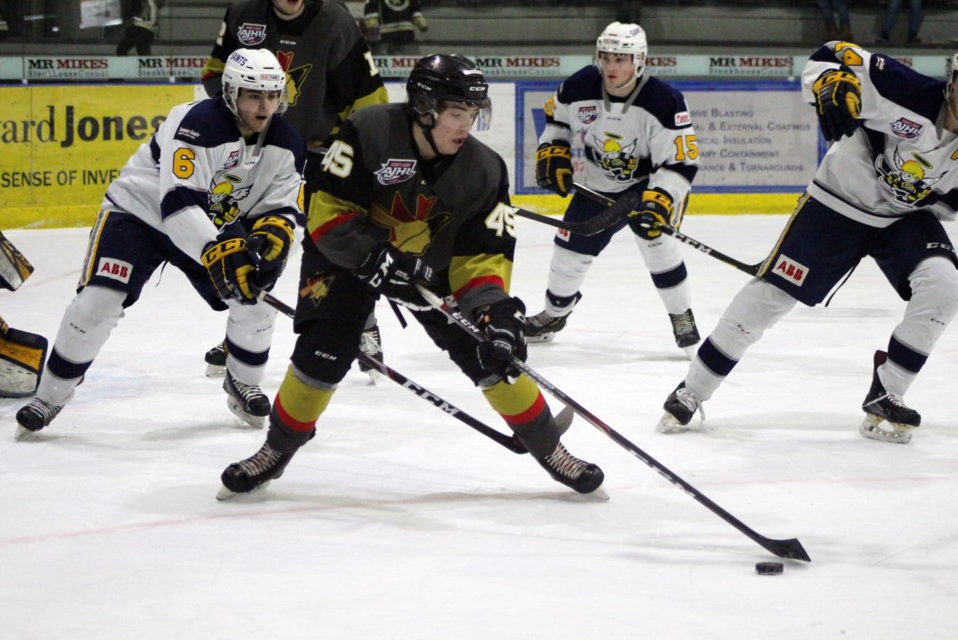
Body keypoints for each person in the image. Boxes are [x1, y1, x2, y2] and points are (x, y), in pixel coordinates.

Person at [217, 54, 605, 498]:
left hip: (431, 267)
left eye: (473, 115)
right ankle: (276, 450)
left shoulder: (486, 170)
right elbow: (326, 214)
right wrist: (374, 258)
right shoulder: (367, 131)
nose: (466, 126)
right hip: (346, 257)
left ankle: (551, 450)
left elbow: (482, 257)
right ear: (424, 109)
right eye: (457, 114)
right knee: (323, 350)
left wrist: (493, 310)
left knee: (492, 350)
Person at [657, 42, 958, 445]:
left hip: (904, 219)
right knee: (769, 298)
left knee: (944, 285)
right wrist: (832, 81)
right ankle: (692, 389)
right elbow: (832, 54)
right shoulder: (906, 91)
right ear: (952, 82)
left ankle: (889, 390)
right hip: (839, 201)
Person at [15, 49, 306, 439]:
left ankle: (243, 381)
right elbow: (178, 204)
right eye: (254, 95)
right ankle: (50, 396)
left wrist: (275, 235)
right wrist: (216, 250)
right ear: (231, 93)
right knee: (99, 300)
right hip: (140, 215)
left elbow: (286, 208)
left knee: (253, 293)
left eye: (272, 95)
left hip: (211, 223)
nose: (265, 105)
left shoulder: (287, 142)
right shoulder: (197, 122)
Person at [201, 0, 389, 381]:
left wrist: (356, 151)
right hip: (259, 147)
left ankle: (361, 323)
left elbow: (369, 97)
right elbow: (215, 74)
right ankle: (241, 336)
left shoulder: (335, 21)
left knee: (331, 241)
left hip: (322, 150)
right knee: (257, 238)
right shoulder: (243, 12)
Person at [526, 21, 701, 356]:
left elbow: (680, 164)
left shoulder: (665, 101)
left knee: (659, 247)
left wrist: (660, 199)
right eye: (606, 57)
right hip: (597, 188)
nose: (610, 66)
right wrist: (553, 149)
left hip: (647, 187)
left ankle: (682, 315)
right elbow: (557, 120)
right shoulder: (579, 85)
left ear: (639, 61)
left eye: (620, 59)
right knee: (569, 251)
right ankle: (555, 315)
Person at [362, 0, 428, 56]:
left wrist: (372, 25)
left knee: (386, 59)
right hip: (399, 35)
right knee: (409, 59)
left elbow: (371, 13)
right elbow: (416, 12)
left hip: (389, 36)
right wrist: (422, 24)